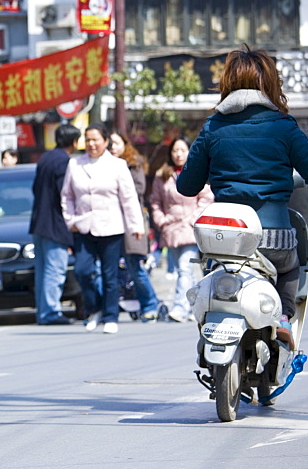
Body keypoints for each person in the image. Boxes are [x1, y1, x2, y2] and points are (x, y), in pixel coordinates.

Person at [177, 47, 308, 346]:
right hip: (272, 237)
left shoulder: (212, 127)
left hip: (222, 239)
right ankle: (283, 318)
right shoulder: (283, 127)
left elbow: (187, 186)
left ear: (227, 83)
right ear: (270, 83)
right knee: (292, 266)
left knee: (211, 272)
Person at [61, 123, 144, 334]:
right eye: (87, 139)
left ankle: (110, 315)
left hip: (111, 227)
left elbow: (129, 198)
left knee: (110, 275)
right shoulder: (74, 164)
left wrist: (135, 225)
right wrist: (71, 220)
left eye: (95, 139)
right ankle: (94, 307)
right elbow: (67, 196)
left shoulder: (117, 165)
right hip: (83, 227)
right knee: (82, 270)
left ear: (105, 141)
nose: (91, 144)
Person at [150, 137, 213, 322]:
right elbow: (155, 200)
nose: (178, 154)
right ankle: (196, 307)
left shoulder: (198, 171)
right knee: (182, 269)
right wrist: (160, 219)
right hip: (170, 228)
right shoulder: (163, 174)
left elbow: (206, 198)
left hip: (190, 228)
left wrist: (193, 220)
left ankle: (180, 307)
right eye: (175, 151)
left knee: (185, 268)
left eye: (182, 150)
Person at [29, 123, 80, 325]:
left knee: (42, 270)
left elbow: (35, 188)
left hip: (39, 222)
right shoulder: (64, 162)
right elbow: (65, 195)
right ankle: (51, 312)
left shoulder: (46, 158)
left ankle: (43, 312)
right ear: (74, 142)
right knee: (55, 269)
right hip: (55, 223)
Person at [108, 131, 160, 323]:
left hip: (131, 221)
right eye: (110, 144)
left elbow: (138, 189)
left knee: (135, 266)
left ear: (125, 144)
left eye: (116, 143)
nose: (112, 147)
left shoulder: (133, 163)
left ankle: (150, 304)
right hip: (109, 222)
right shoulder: (103, 165)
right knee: (107, 269)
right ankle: (109, 308)